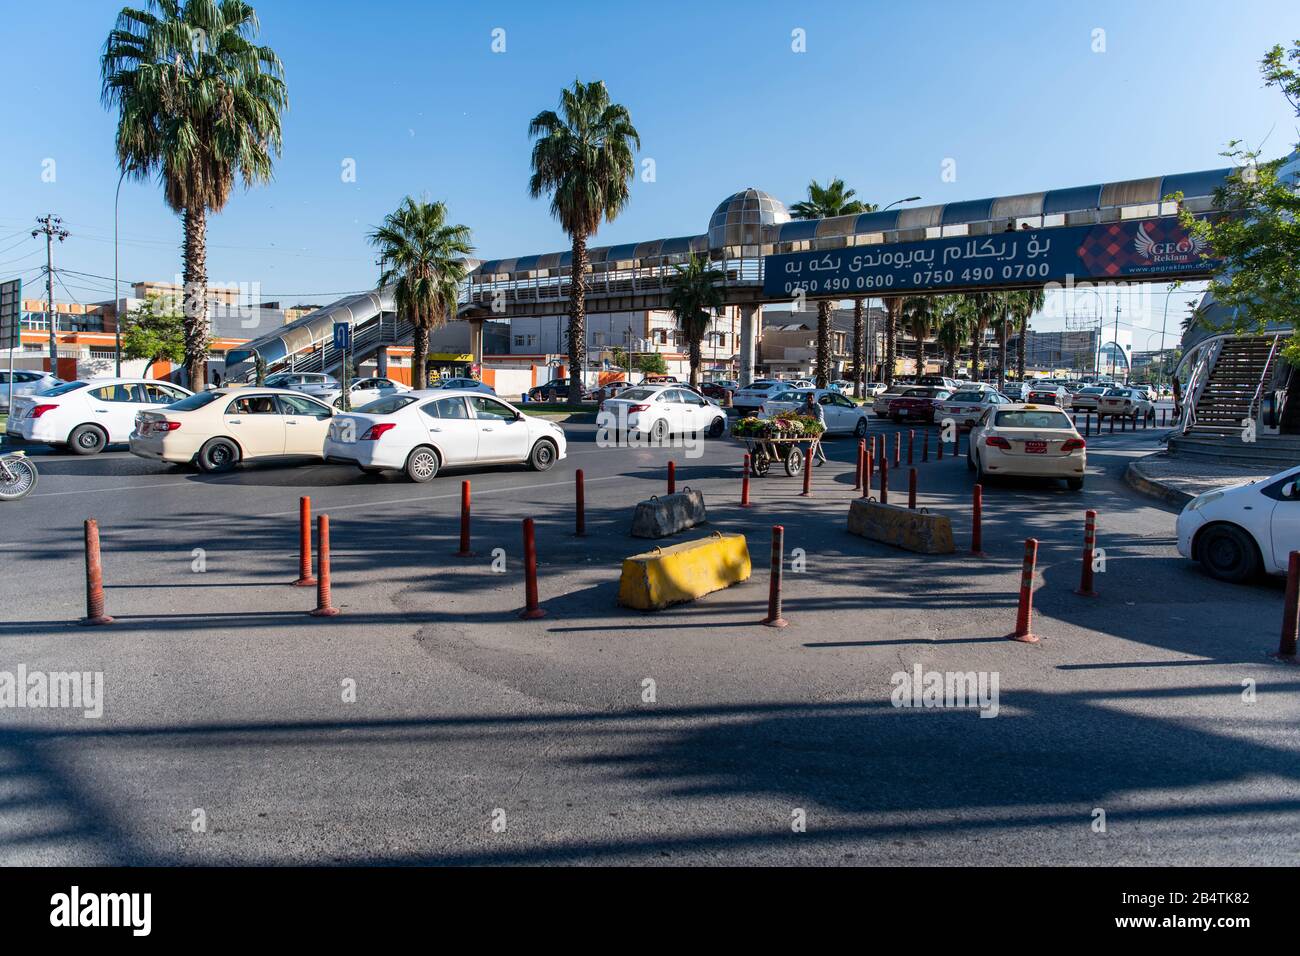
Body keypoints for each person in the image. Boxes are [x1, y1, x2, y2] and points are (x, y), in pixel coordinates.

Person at [802, 391, 828, 465]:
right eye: (808, 398)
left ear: (813, 398)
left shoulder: (817, 406)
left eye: (811, 398)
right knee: (817, 443)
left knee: (813, 443)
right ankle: (822, 459)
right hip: (812, 427)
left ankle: (808, 462)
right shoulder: (805, 405)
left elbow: (820, 418)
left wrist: (814, 425)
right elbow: (798, 412)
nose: (809, 399)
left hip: (819, 427)